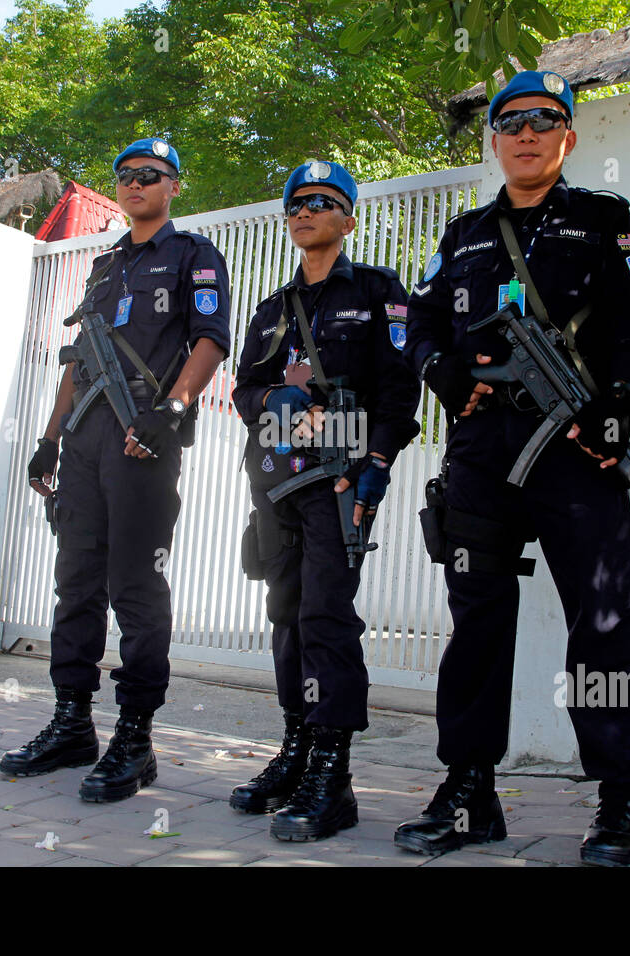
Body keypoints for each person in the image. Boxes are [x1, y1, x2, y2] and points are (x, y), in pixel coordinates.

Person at [395, 70, 630, 865]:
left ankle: (623, 802)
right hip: (483, 453)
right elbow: (420, 318)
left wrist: (619, 399)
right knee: (477, 622)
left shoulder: (602, 219)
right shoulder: (465, 234)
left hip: (577, 447)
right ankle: (470, 791)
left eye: (544, 120)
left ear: (567, 137)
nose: (525, 133)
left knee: (604, 623)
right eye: (511, 121)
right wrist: (439, 369)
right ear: (495, 138)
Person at [0, 137, 231, 804]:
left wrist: (173, 408)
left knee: (135, 587)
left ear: (174, 185)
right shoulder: (103, 269)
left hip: (143, 443)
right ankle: (73, 721)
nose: (135, 184)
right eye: (126, 175)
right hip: (85, 445)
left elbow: (212, 338)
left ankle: (135, 735)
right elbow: (78, 359)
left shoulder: (193, 256)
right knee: (74, 583)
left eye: (150, 175)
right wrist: (48, 441)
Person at [230, 161, 420, 841]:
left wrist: (376, 463)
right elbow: (242, 390)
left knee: (325, 617)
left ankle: (333, 778)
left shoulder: (377, 292)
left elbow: (400, 393)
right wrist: (269, 399)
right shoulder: (272, 308)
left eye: (324, 202)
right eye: (297, 204)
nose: (307, 211)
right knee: (284, 615)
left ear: (348, 218)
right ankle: (297, 751)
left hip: (338, 482)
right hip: (275, 479)